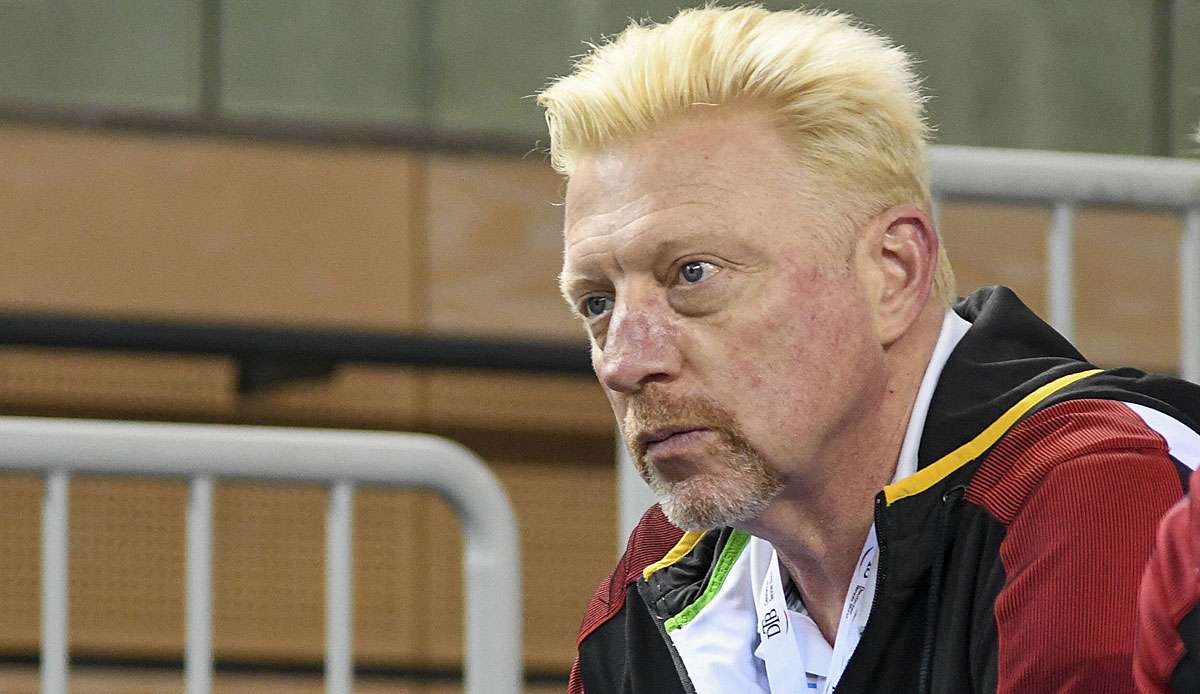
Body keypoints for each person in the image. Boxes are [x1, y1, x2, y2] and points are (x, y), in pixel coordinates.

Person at [538, 6, 1200, 693]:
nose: (625, 362)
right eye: (597, 303)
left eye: (693, 274)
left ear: (893, 273)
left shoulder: (1101, 489)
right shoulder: (660, 580)